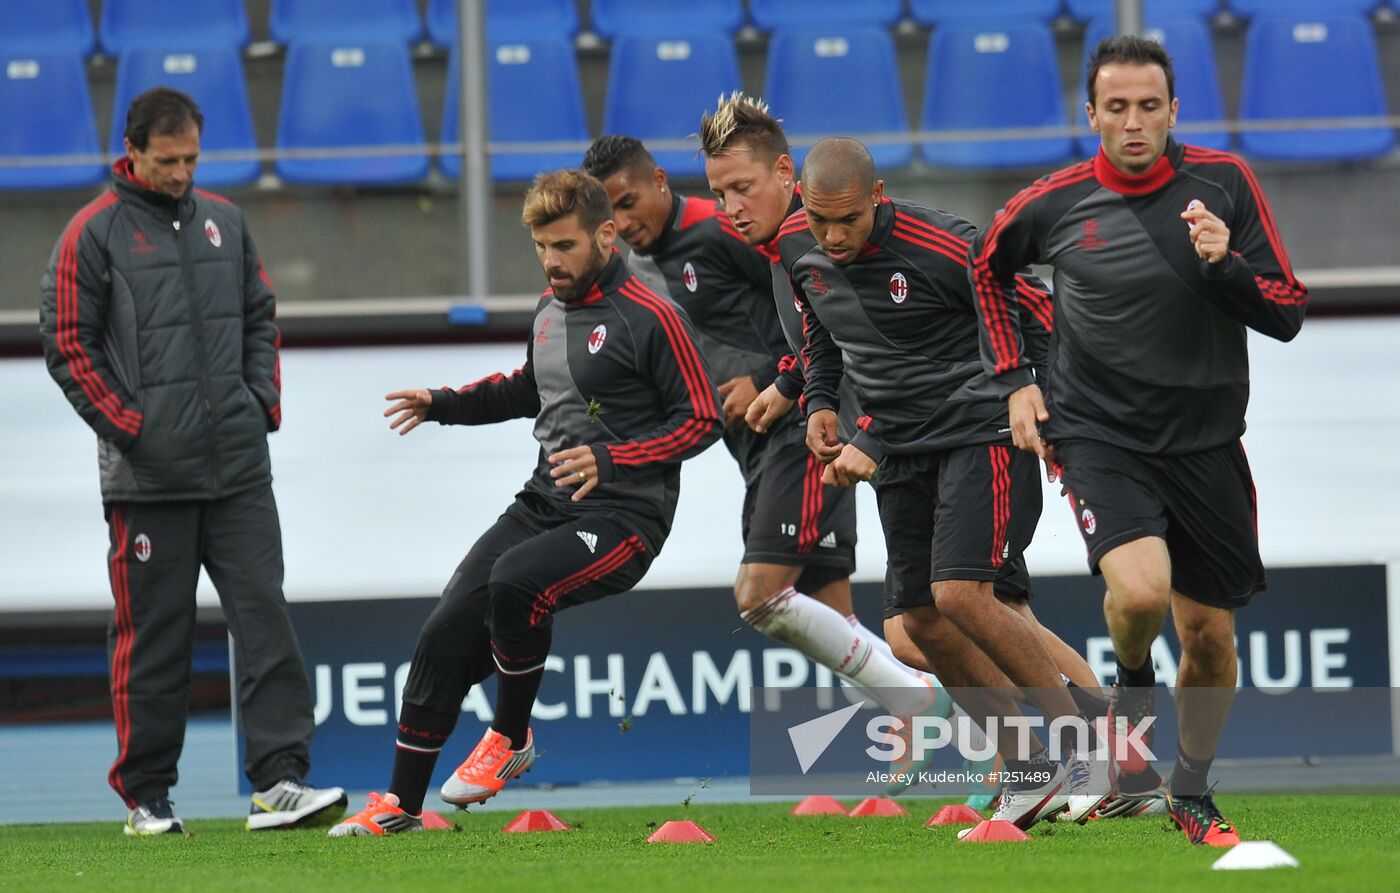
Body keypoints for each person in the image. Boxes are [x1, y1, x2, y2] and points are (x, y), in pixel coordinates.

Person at [969, 36, 1307, 845]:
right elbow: (984, 267)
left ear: (1173, 110)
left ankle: (1188, 790)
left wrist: (1227, 265)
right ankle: (1131, 683)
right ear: (1091, 114)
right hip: (1097, 433)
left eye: (1148, 106)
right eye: (1115, 107)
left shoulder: (1223, 184)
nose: (1133, 122)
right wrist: (1015, 376)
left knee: (1212, 639)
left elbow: (1286, 311)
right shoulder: (1053, 201)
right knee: (1143, 592)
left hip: (1207, 441)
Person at [329, 170, 722, 836]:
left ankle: (510, 736)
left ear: (605, 234)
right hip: (546, 499)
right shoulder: (549, 307)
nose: (552, 260)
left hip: (625, 517)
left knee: (515, 581)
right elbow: (527, 390)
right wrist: (444, 404)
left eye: (564, 245)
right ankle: (398, 806)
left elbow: (704, 420)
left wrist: (611, 458)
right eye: (541, 246)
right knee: (446, 629)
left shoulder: (653, 316)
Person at [779, 137, 1113, 828]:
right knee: (919, 622)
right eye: (820, 221)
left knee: (964, 592)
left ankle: (1094, 754)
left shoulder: (949, 244)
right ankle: (1028, 766)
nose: (833, 237)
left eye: (848, 220)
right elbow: (822, 330)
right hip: (900, 444)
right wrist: (817, 399)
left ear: (879, 197)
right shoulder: (796, 250)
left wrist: (1040, 403)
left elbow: (1041, 310)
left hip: (979, 428)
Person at [39, 88, 346, 836]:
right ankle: (147, 796)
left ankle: (279, 784)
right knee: (154, 638)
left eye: (192, 159)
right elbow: (67, 345)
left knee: (266, 621)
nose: (182, 172)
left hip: (238, 468)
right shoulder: (91, 233)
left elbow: (259, 316)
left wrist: (260, 403)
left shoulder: (226, 223)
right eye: (168, 159)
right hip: (150, 478)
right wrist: (132, 429)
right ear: (134, 151)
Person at [580, 135, 932, 728]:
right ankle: (914, 730)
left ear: (659, 182)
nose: (622, 220)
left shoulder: (724, 234)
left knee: (762, 593)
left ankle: (919, 698)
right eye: (608, 211)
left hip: (803, 427)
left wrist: (765, 378)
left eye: (628, 200)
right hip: (757, 445)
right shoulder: (631, 267)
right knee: (830, 610)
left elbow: (820, 317)